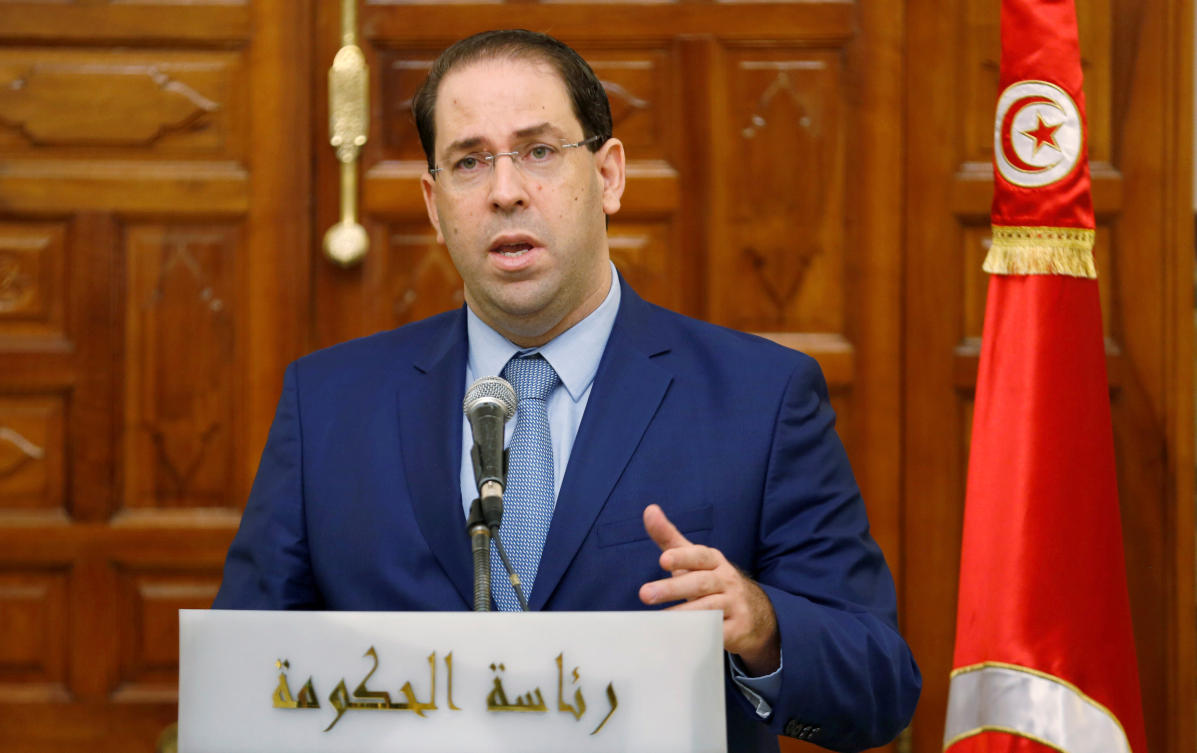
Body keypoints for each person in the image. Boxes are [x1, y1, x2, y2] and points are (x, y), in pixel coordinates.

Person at [214, 29, 920, 752]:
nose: (505, 190)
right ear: (433, 203)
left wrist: (764, 627)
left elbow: (880, 687)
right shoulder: (330, 403)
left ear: (608, 175)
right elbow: (239, 684)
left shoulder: (759, 399)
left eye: (540, 151)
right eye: (468, 162)